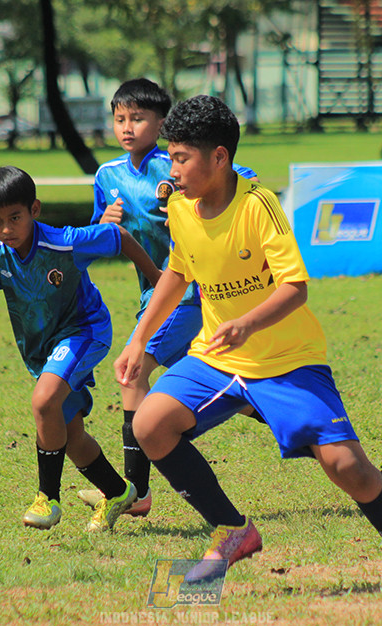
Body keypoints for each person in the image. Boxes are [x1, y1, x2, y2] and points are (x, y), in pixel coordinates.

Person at [113, 95, 382, 589]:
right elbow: (178, 271)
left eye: (182, 157)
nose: (173, 168)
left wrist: (247, 323)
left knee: (347, 468)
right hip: (217, 358)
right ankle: (232, 530)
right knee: (150, 425)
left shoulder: (258, 205)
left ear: (220, 157)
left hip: (287, 359)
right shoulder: (181, 207)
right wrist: (139, 340)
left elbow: (295, 287)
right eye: (171, 155)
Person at [0, 166, 163, 532]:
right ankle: (116, 492)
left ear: (34, 210)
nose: (6, 229)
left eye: (14, 218)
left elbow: (118, 236)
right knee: (71, 437)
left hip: (85, 331)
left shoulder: (63, 243)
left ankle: (47, 498)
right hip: (43, 350)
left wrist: (158, 281)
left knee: (42, 401)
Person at [77, 79, 258, 518]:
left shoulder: (175, 164)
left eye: (138, 118)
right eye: (120, 118)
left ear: (161, 124)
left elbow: (240, 177)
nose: (127, 127)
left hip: (190, 294)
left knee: (133, 374)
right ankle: (285, 412)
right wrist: (104, 221)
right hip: (151, 297)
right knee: (233, 387)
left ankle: (134, 492)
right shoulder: (108, 176)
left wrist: (197, 197)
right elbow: (99, 239)